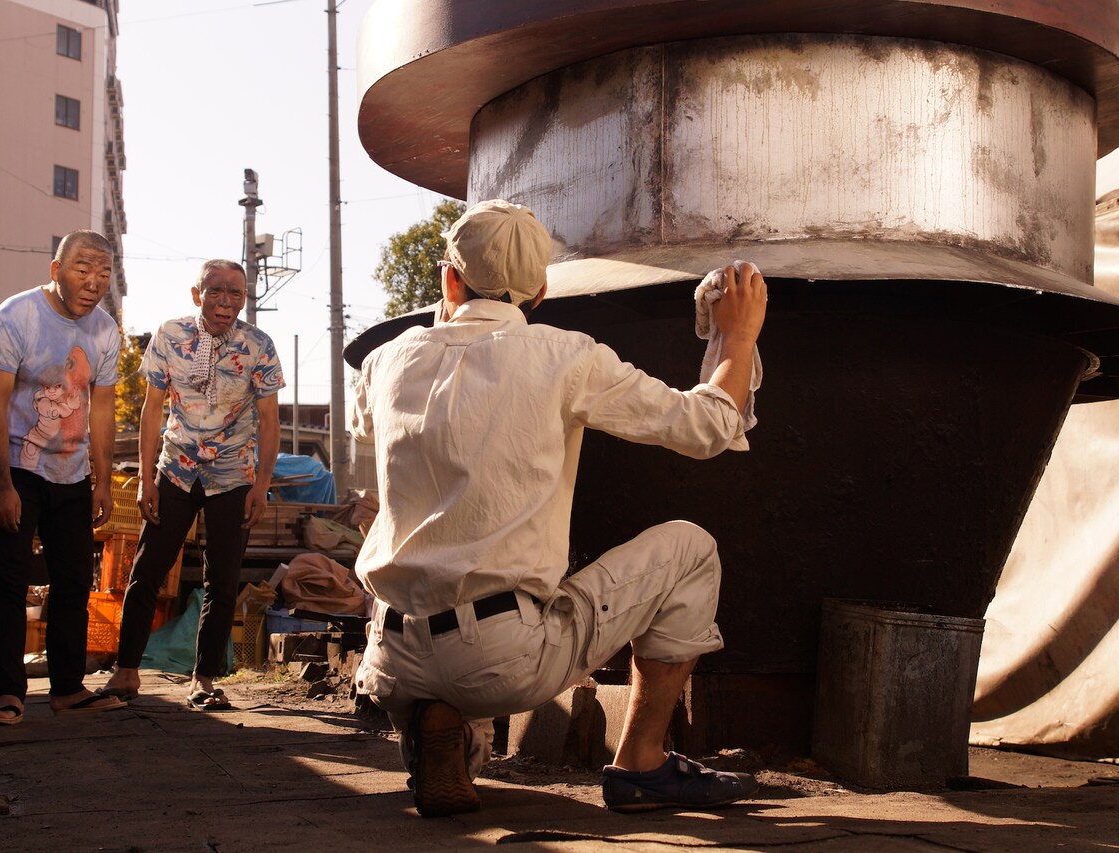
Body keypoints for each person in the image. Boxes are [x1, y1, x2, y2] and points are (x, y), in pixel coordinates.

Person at [351, 200, 768, 816]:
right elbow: (707, 428)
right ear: (541, 290)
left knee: (439, 670)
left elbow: (364, 423)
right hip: (502, 657)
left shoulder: (386, 360)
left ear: (449, 277)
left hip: (391, 657)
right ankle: (643, 765)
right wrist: (737, 334)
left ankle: (437, 720)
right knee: (691, 549)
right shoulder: (565, 356)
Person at [99, 260, 282, 711]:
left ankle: (204, 680)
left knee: (222, 580)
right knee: (145, 573)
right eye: (216, 292)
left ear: (244, 298)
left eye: (236, 294)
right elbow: (151, 410)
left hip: (232, 475)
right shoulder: (170, 334)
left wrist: (261, 485)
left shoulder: (258, 345)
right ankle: (126, 672)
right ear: (197, 294)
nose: (226, 302)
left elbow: (271, 420)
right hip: (176, 468)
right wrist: (146, 479)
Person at [0, 229, 127, 724]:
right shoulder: (15, 317)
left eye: (103, 272)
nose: (94, 281)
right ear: (55, 269)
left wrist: (102, 480)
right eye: (82, 268)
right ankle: (8, 691)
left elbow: (102, 411)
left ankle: (66, 687)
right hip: (16, 466)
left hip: (70, 473)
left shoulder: (106, 330)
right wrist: (1, 486)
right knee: (9, 580)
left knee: (72, 582)